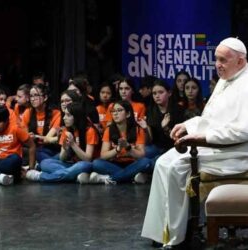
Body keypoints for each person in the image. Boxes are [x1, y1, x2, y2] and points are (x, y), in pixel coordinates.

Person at [141, 37, 248, 248]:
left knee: (176, 167)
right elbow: (211, 119)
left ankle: (178, 237)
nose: (218, 64)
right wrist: (187, 126)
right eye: (216, 59)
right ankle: (162, 231)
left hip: (235, 153)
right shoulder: (227, 79)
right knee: (162, 162)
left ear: (240, 61)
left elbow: (243, 130)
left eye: (223, 60)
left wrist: (202, 138)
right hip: (217, 147)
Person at [26, 102, 99, 183]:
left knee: (83, 165)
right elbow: (62, 158)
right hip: (72, 165)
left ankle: (41, 176)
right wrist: (66, 148)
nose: (64, 118)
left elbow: (88, 159)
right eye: (64, 115)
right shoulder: (66, 130)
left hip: (86, 164)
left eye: (68, 115)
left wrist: (73, 144)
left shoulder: (90, 131)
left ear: (77, 117)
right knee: (45, 163)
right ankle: (74, 176)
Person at [90, 100, 150, 184]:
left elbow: (141, 155)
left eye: (119, 110)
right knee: (96, 163)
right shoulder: (109, 130)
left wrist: (128, 147)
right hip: (115, 163)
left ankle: (108, 178)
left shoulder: (138, 129)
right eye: (113, 111)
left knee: (146, 162)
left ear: (128, 114)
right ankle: (131, 177)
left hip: (132, 163)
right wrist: (117, 149)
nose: (115, 113)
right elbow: (103, 155)